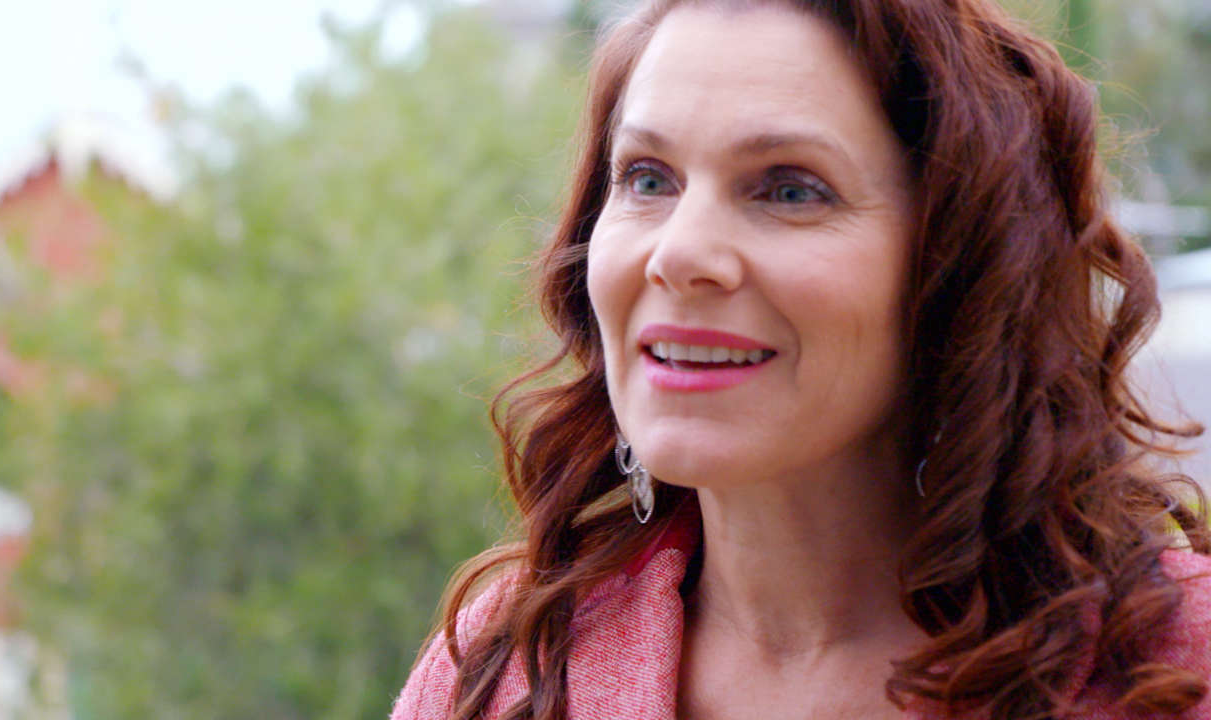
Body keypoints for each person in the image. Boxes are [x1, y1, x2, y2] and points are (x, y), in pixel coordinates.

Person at [391, 0, 1211, 718]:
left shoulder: (1172, 667)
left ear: (961, 265)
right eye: (647, 179)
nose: (678, 254)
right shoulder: (509, 666)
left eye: (789, 189)